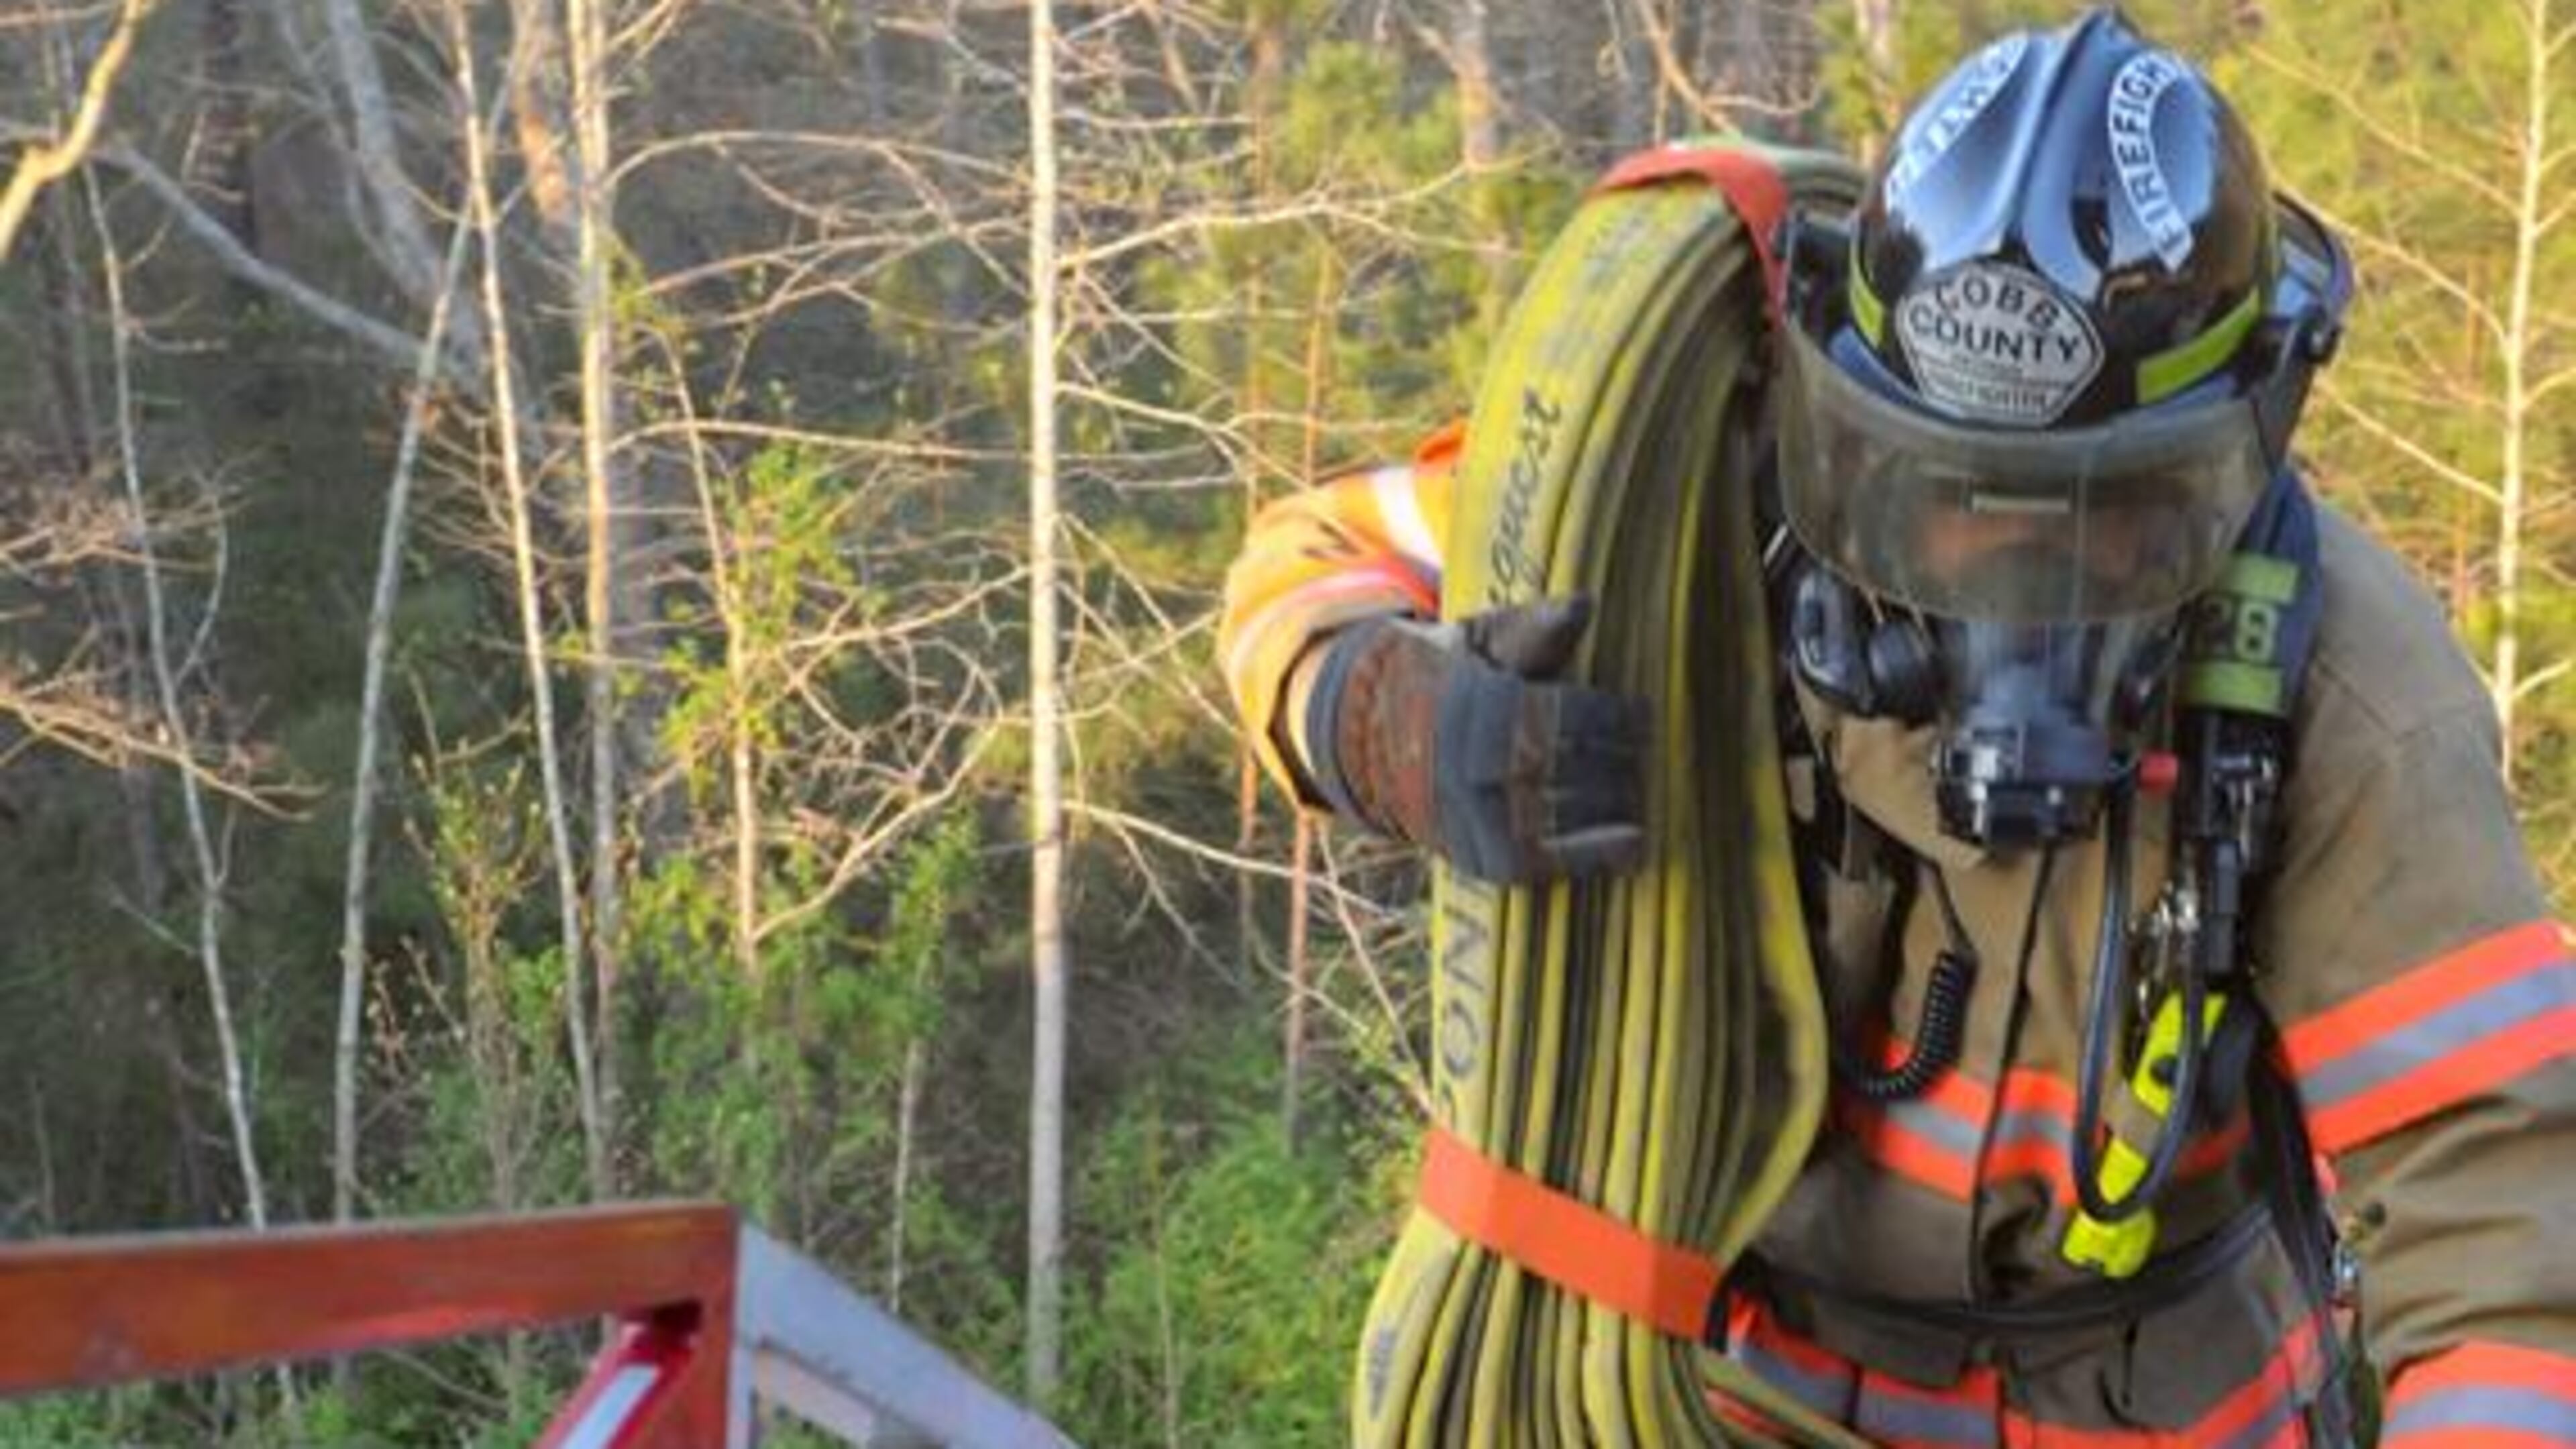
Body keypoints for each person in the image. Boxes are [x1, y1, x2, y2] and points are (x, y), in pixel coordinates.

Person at [1217, 9, 2575, 1446]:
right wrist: (1383, 714)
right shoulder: (1680, 504)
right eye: (1939, 494)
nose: (2002, 575)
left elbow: (2506, 1238)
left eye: (2092, 524)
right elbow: (1306, 564)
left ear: (2228, 467)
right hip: (1732, 1390)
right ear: (1843, 408)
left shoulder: (2346, 690)